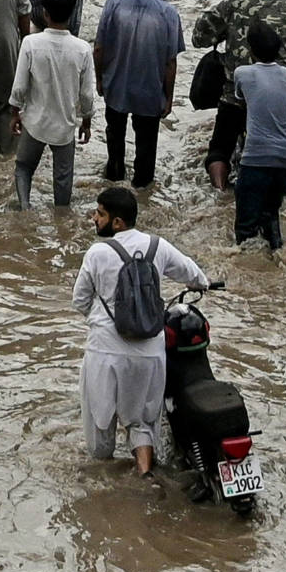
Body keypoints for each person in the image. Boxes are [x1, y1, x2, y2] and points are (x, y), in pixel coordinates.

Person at [73, 185, 208, 474]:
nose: (95, 219)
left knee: (100, 422)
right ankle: (145, 476)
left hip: (105, 352)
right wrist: (202, 285)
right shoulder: (158, 247)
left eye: (100, 214)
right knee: (143, 422)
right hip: (149, 353)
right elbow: (193, 275)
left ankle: (105, 486)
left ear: (117, 222)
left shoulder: (97, 253)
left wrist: (101, 319)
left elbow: (80, 300)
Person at [93, 0, 184, 190]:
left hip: (116, 87)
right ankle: (142, 189)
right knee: (146, 148)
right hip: (149, 93)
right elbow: (170, 62)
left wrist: (100, 80)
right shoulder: (169, 13)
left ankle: (114, 177)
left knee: (115, 137)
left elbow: (99, 48)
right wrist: (169, 98)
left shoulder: (114, 3)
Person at [8, 0, 96, 209]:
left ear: (44, 14)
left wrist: (15, 112)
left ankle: (25, 208)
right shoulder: (82, 49)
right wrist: (86, 122)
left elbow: (19, 87)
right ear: (72, 14)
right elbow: (86, 94)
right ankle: (61, 220)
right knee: (63, 179)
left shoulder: (30, 43)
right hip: (64, 126)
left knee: (24, 167)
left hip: (35, 122)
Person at [222, 25, 286, 248]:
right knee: (270, 213)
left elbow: (240, 99)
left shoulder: (243, 73)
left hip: (256, 157)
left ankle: (248, 272)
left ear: (251, 50)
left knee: (245, 225)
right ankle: (276, 255)